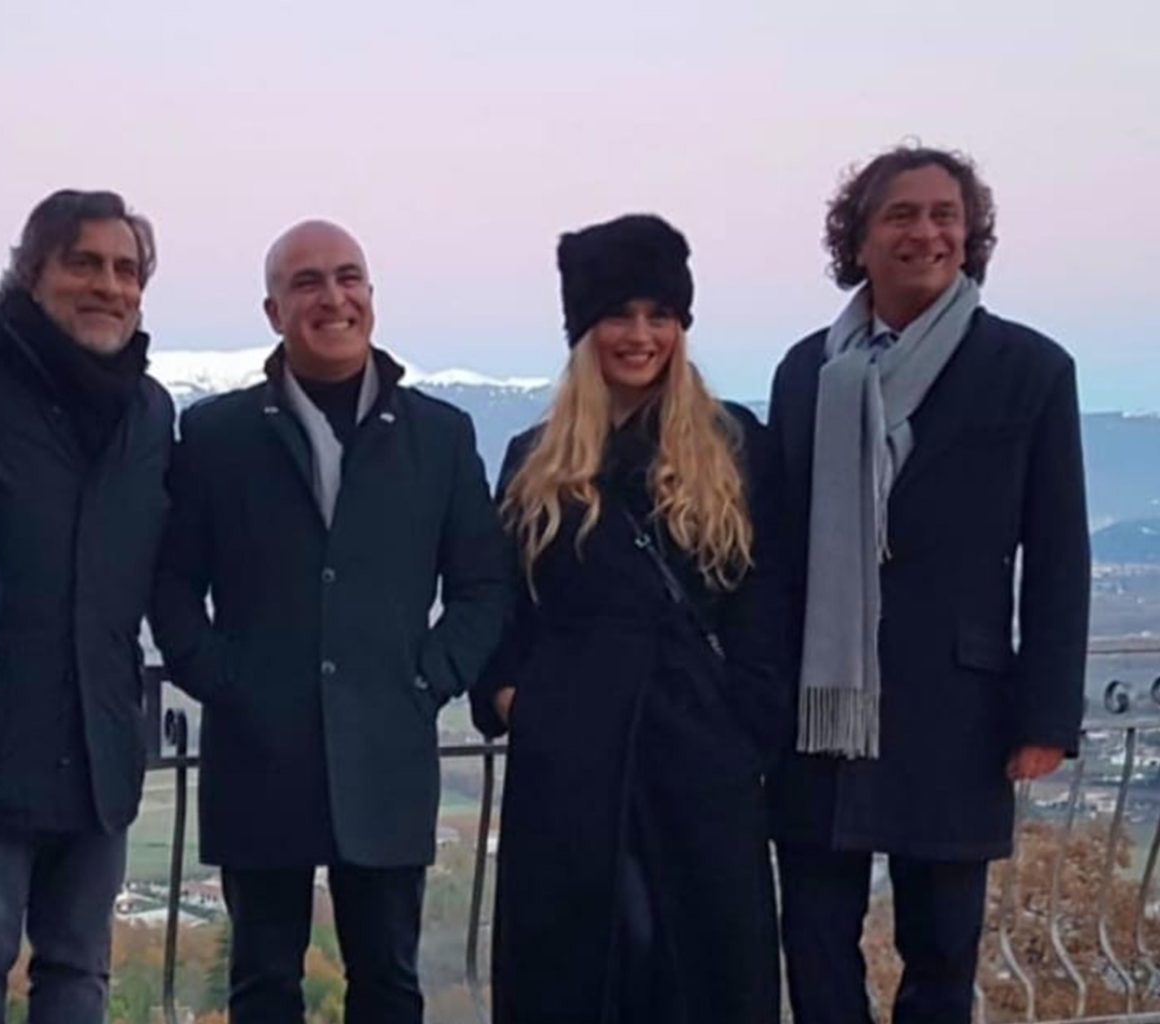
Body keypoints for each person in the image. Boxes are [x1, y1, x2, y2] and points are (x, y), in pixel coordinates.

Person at [150, 219, 509, 1024]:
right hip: (257, 750)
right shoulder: (215, 435)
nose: (333, 297)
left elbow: (484, 585)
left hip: (389, 750)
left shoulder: (440, 436)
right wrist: (222, 680)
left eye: (349, 278)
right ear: (272, 311)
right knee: (261, 985)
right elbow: (172, 584)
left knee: (388, 982)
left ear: (372, 296)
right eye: (306, 282)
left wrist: (429, 680)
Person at [767, 145, 1091, 1024]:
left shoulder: (1029, 370)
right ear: (859, 240)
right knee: (815, 942)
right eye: (901, 215)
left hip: (957, 706)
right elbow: (777, 548)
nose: (927, 232)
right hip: (818, 708)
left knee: (942, 952)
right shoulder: (805, 372)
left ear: (970, 234)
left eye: (946, 215)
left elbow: (1058, 556)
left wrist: (1045, 716)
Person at [471, 214, 785, 1023]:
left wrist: (746, 722)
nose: (640, 336)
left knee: (698, 972)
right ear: (585, 329)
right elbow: (504, 610)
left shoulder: (735, 445)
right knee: (579, 971)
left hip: (700, 755)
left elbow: (766, 603)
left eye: (660, 315)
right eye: (618, 314)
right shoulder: (534, 461)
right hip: (571, 761)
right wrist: (515, 700)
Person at [0, 189, 173, 1024]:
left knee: (80, 972)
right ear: (31, 273)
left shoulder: (149, 411)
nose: (109, 286)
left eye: (126, 270)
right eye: (83, 263)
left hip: (99, 750)